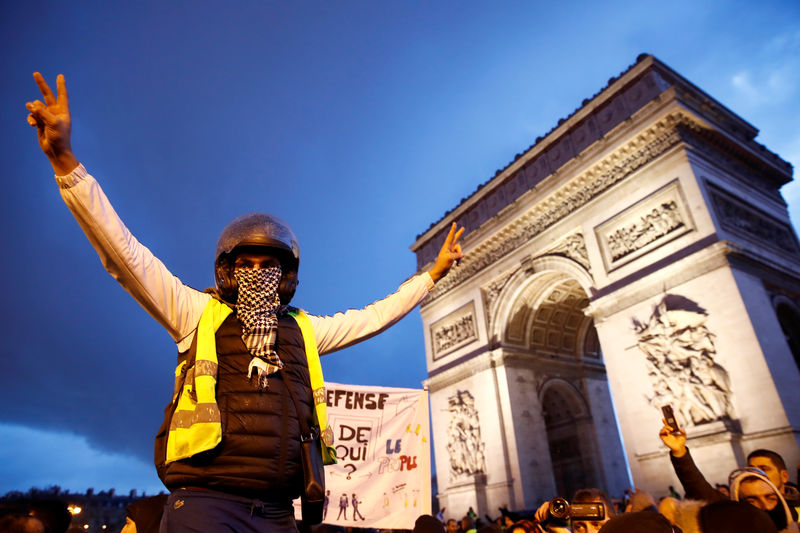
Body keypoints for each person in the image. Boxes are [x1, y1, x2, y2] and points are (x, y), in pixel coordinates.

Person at [25, 72, 465, 533]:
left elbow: (376, 316)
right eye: (247, 263)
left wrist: (430, 277)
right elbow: (124, 254)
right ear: (225, 270)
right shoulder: (194, 313)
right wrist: (66, 162)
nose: (258, 273)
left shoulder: (303, 331)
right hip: (206, 505)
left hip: (278, 510)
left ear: (288, 275)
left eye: (269, 264)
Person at [659, 420, 799, 531]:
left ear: (784, 476)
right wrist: (680, 452)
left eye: (763, 469)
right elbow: (696, 486)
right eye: (751, 501)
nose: (765, 506)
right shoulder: (732, 512)